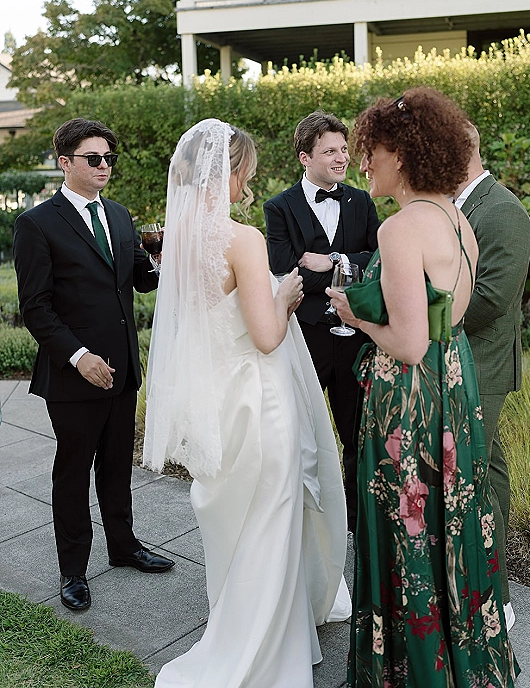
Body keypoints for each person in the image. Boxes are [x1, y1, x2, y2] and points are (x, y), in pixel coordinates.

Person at [143, 119, 351, 688]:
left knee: (234, 517)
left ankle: (241, 621)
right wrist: (284, 295)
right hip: (259, 401)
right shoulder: (243, 239)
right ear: (228, 172)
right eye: (246, 174)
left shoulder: (178, 237)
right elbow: (265, 336)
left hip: (216, 400)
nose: (248, 185)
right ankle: (264, 647)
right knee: (272, 516)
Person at [328, 89, 519, 687]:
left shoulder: (400, 228)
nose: (365, 163)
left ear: (404, 155)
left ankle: (411, 672)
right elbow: (448, 321)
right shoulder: (457, 220)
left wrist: (356, 316)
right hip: (453, 387)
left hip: (408, 400)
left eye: (374, 151)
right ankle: (460, 662)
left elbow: (409, 345)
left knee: (408, 528)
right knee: (449, 521)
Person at [13, 118, 174, 613]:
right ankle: (73, 570)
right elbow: (36, 308)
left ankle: (124, 547)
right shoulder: (37, 224)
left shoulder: (120, 215)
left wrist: (164, 257)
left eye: (109, 158)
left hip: (122, 368)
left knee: (117, 467)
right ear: (65, 162)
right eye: (94, 158)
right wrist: (79, 357)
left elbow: (140, 279)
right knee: (73, 472)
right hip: (73, 374)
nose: (105, 166)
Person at [264, 111, 380, 532]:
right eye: (330, 151)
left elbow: (378, 261)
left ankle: (355, 520)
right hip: (307, 336)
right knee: (304, 433)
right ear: (305, 157)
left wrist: (333, 260)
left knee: (357, 433)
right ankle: (305, 520)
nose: (342, 158)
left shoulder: (361, 202)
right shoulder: (279, 207)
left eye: (344, 149)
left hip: (355, 337)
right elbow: (284, 270)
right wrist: (348, 269)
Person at [455, 125, 530, 631]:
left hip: (482, 362)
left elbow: (491, 298)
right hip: (463, 359)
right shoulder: (460, 205)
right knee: (490, 474)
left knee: (474, 481)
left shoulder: (503, 210)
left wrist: (421, 320)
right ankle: (495, 593)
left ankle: (493, 600)